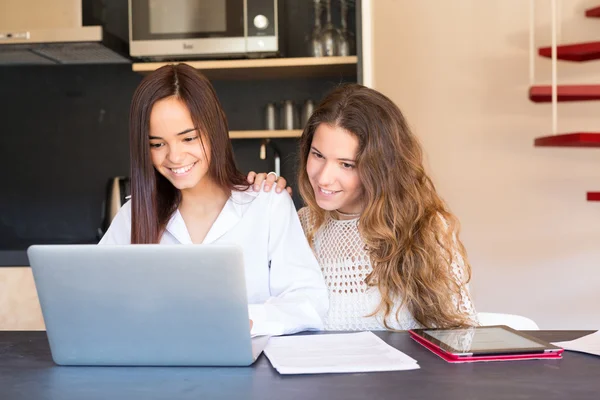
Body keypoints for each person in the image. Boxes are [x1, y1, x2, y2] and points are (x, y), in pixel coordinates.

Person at [100, 63, 328, 337]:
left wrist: (239, 319)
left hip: (253, 372)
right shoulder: (133, 215)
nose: (174, 157)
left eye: (188, 138)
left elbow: (308, 300)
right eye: (157, 144)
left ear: (215, 129)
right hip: (159, 369)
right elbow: (94, 297)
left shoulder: (267, 204)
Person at [248, 84, 477, 330]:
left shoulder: (426, 229)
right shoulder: (301, 225)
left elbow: (460, 336)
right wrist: (262, 206)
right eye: (318, 155)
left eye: (346, 165)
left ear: (380, 168)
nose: (324, 177)